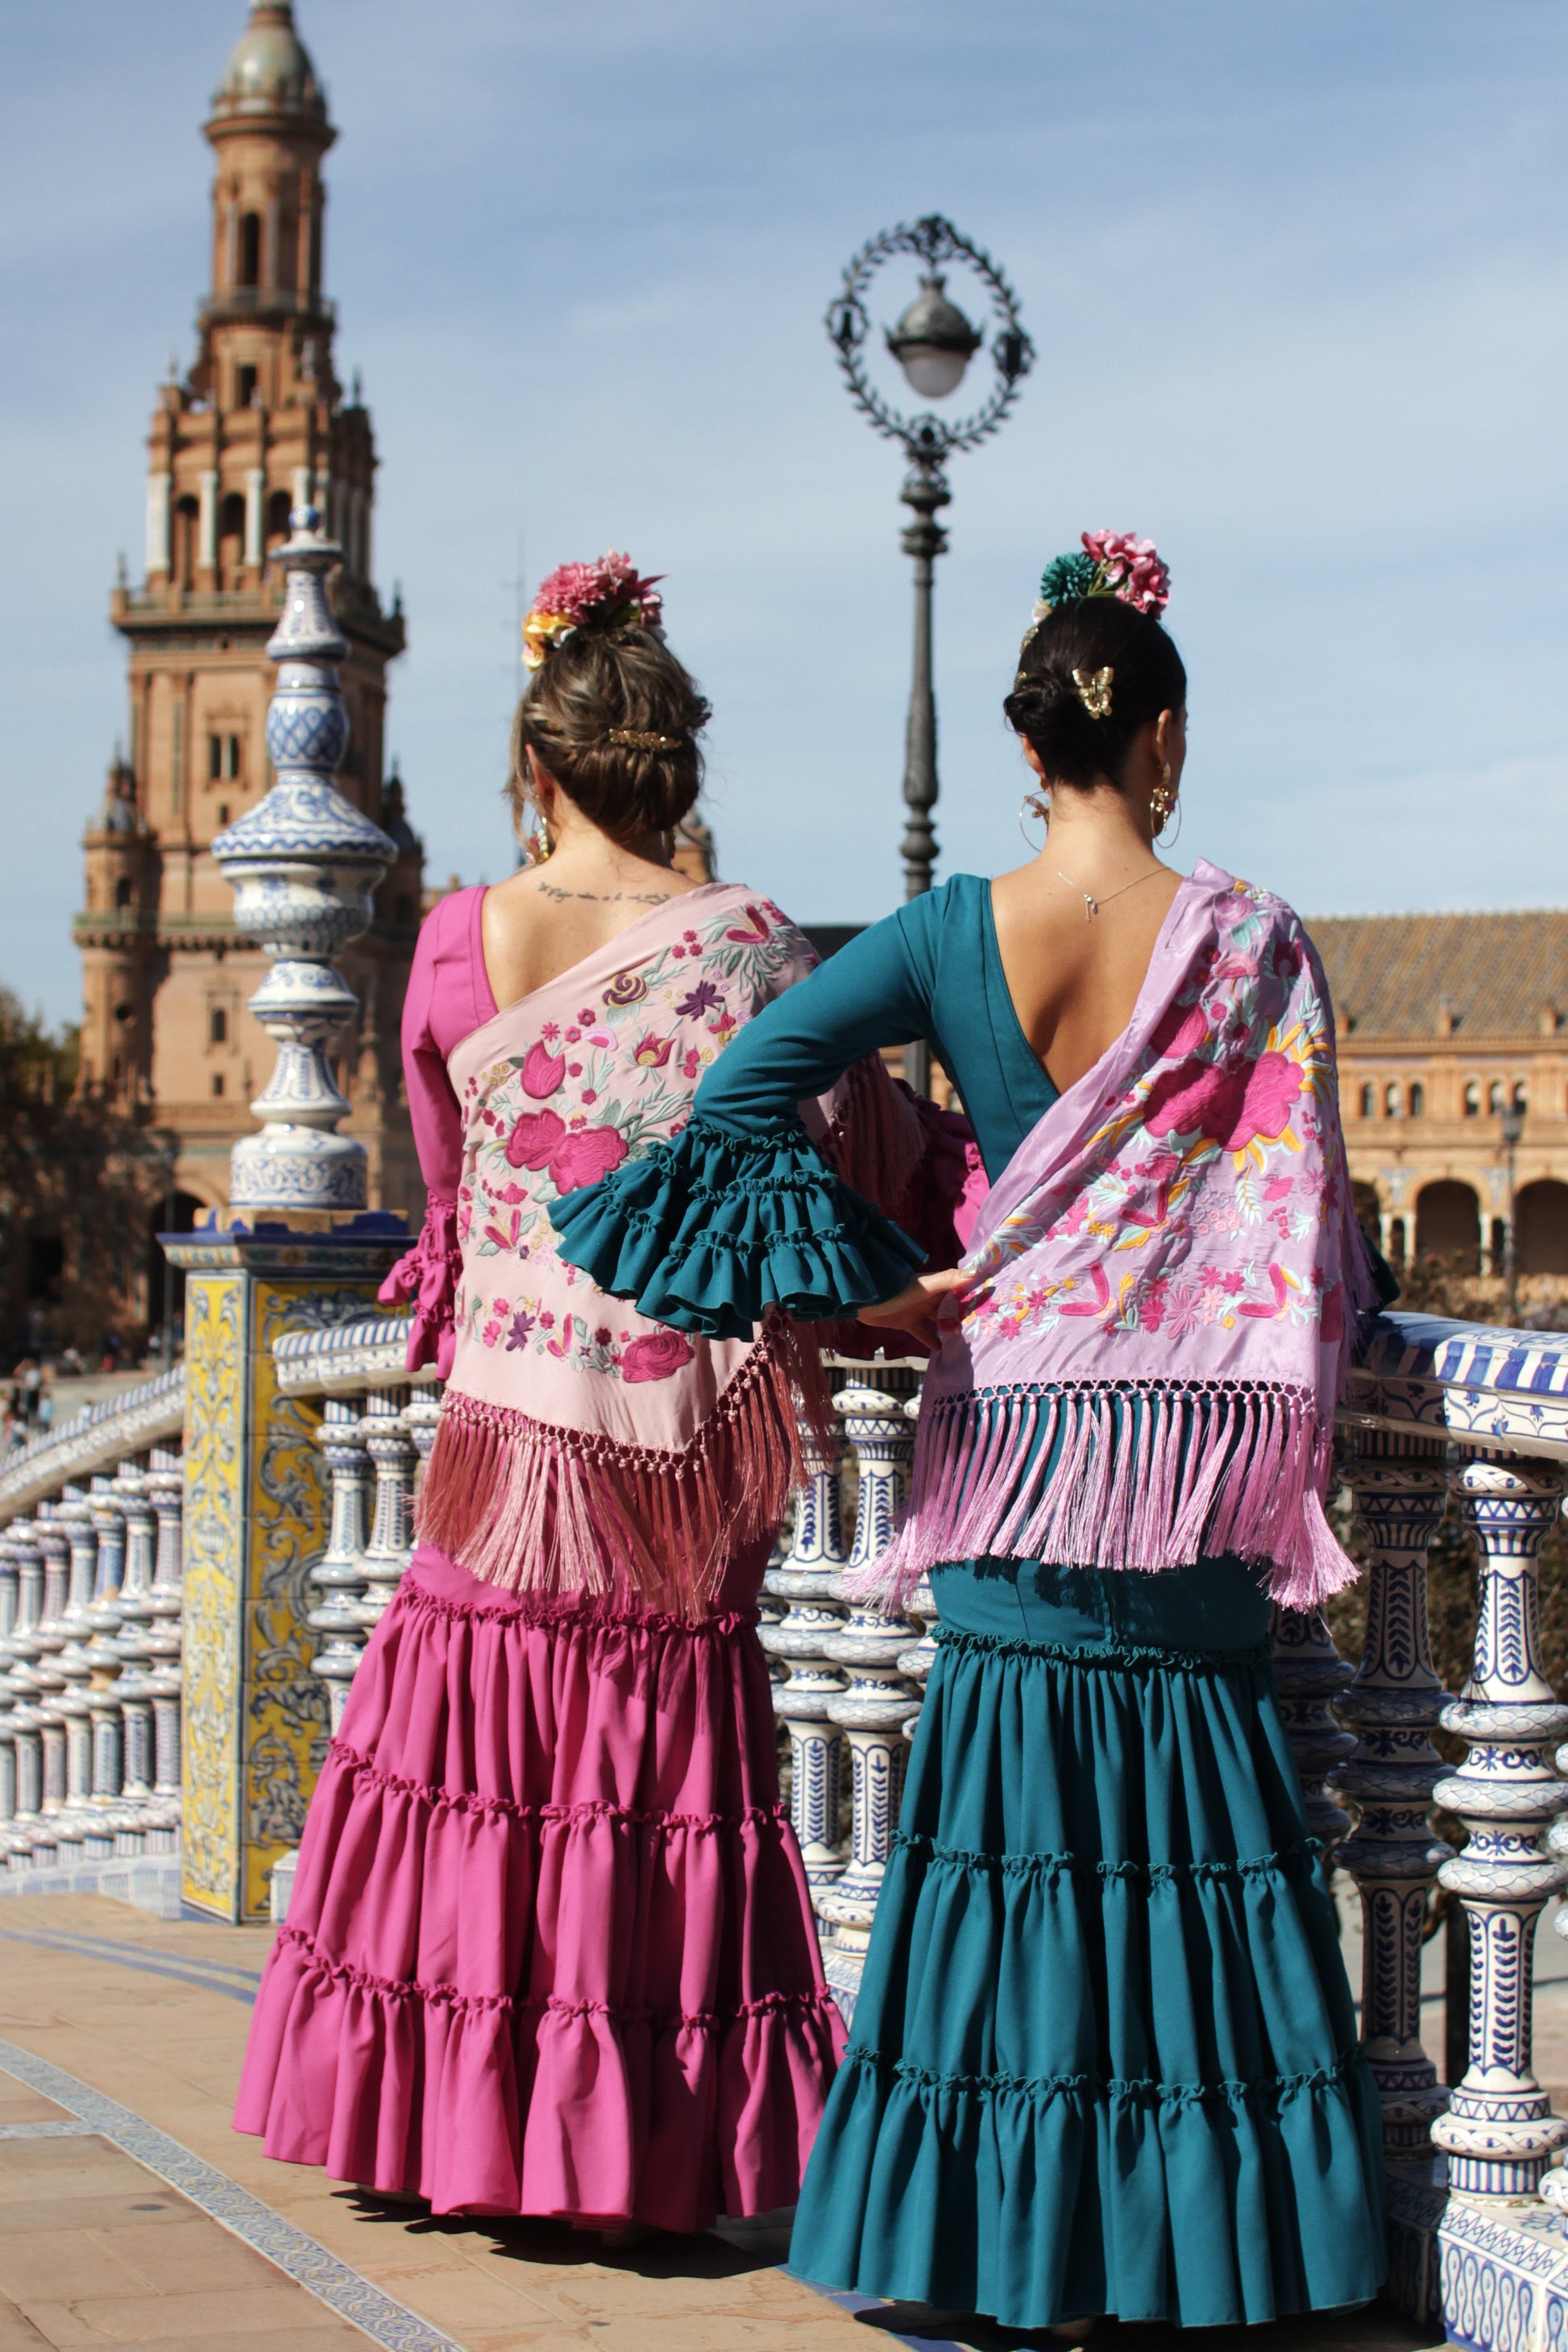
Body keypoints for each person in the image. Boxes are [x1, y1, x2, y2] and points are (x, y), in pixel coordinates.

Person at [553, 533, 1388, 2333]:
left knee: (1009, 1855)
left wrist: (872, 1285)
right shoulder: (1249, 938)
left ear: (1027, 751)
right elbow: (1310, 1212)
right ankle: (1204, 2250)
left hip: (1012, 1439)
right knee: (1186, 1846)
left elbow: (738, 1095)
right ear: (1162, 738)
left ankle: (1001, 2255)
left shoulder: (946, 933)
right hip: (1181, 1467)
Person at [234, 553, 970, 2234]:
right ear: (675, 771)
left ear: (535, 765)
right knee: (653, 1772)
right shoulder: (756, 950)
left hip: (505, 1434)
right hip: (680, 1447)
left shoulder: (451, 940)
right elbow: (865, 1161)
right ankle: (635, 2139)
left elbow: (444, 1185)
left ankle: (452, 2129)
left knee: (472, 1753)